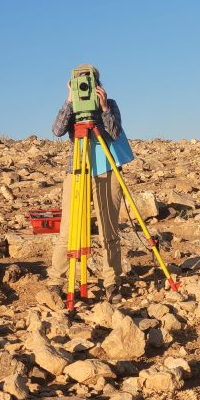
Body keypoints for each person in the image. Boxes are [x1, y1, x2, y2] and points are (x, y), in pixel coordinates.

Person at [48, 64, 133, 304]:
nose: (84, 86)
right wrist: (69, 101)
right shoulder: (72, 106)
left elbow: (115, 133)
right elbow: (56, 130)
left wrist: (104, 108)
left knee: (109, 230)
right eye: (79, 82)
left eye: (89, 81)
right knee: (67, 230)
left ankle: (111, 282)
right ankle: (56, 281)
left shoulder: (110, 103)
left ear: (98, 82)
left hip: (107, 170)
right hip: (76, 171)